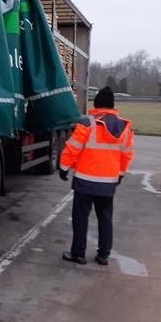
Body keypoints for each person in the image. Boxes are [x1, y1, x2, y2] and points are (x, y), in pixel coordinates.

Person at [58, 86, 134, 266]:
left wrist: (64, 168)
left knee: (81, 218)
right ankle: (103, 255)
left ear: (97, 104)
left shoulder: (87, 124)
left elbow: (72, 148)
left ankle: (78, 254)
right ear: (112, 105)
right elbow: (127, 154)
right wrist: (120, 174)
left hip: (85, 181)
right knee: (105, 218)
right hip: (108, 182)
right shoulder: (124, 127)